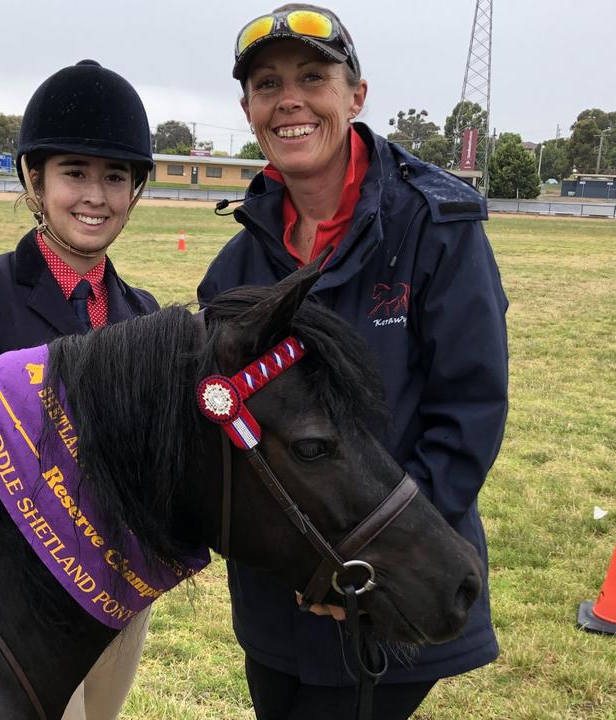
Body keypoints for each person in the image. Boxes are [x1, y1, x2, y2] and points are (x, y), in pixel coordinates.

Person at [197, 5, 509, 718]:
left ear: (356, 95)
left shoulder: (435, 228)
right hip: (278, 597)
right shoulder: (234, 267)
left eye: (314, 77)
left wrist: (362, 567)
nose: (290, 101)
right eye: (268, 84)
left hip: (398, 575)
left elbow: (470, 410)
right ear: (248, 109)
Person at [0, 59, 158, 720]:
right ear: (35, 179)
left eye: (115, 178)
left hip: (116, 597)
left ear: (135, 190)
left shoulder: (145, 316)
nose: (95, 197)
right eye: (75, 173)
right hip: (7, 598)